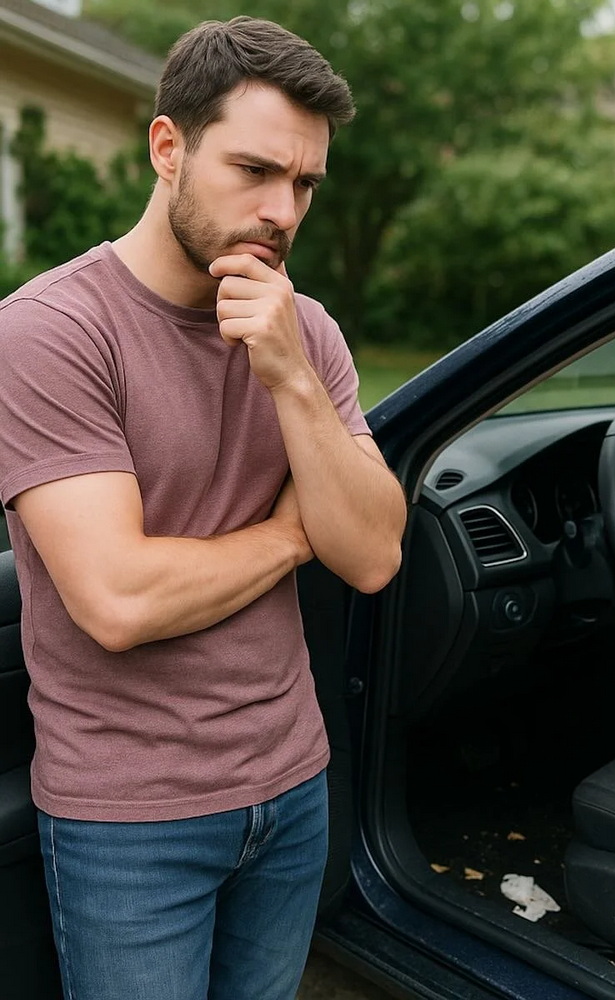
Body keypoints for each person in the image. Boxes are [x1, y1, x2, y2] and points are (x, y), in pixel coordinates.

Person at [0, 16, 406, 1000]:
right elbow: (119, 600)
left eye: (304, 183)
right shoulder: (52, 331)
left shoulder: (302, 327)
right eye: (256, 170)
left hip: (292, 784)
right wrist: (283, 532)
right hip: (130, 816)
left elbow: (371, 553)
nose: (282, 209)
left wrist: (292, 380)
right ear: (167, 146)